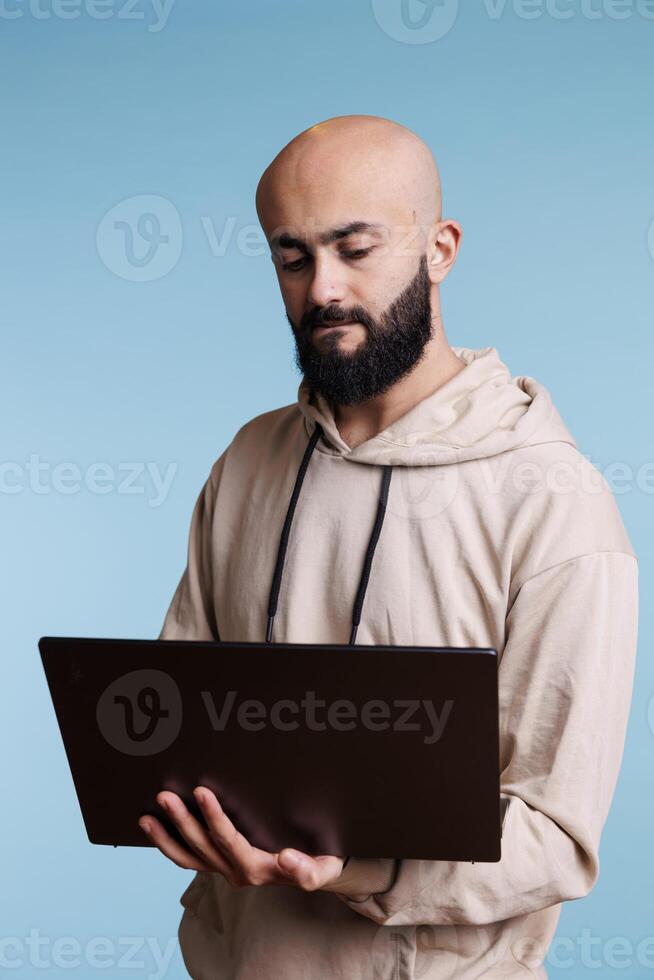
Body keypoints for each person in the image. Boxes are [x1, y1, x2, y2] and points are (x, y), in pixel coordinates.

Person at [139, 114, 639, 979]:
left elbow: (556, 838)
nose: (323, 288)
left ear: (439, 248)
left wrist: (351, 869)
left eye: (354, 248)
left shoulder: (554, 501)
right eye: (293, 258)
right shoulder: (248, 461)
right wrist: (178, 805)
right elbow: (181, 724)